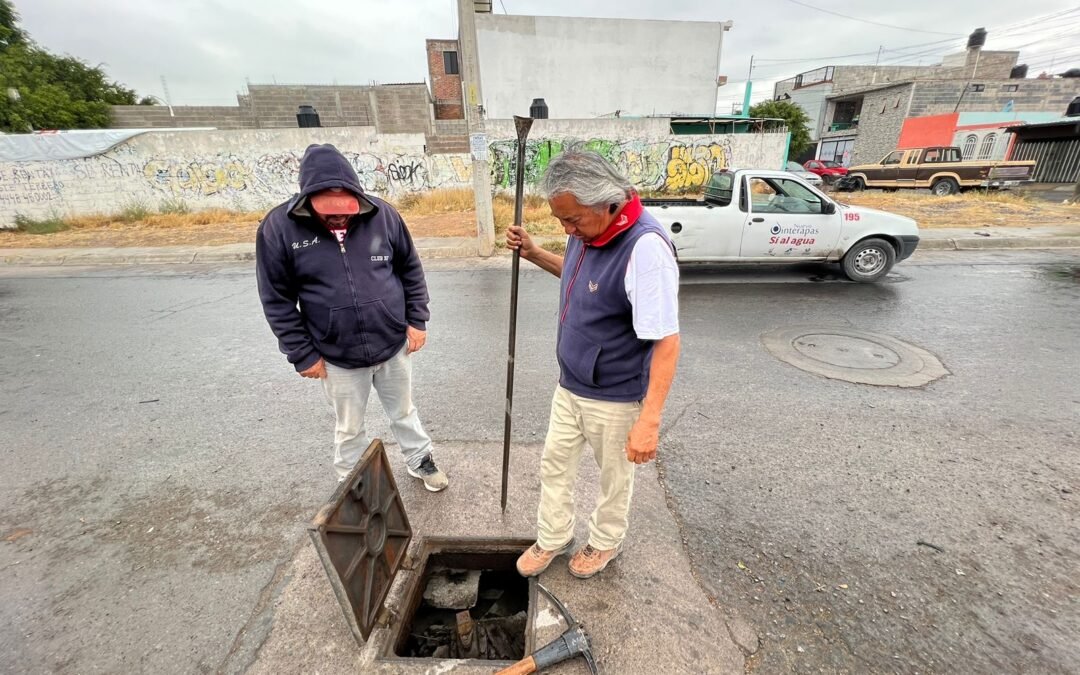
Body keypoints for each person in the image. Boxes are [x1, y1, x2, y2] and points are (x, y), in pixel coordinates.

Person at [507, 151, 681, 579]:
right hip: (570, 384)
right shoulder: (588, 230)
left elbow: (667, 341)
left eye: (573, 221)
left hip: (616, 395)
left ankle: (604, 543)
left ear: (607, 203)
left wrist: (650, 421)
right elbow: (581, 276)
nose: (567, 230)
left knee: (613, 479)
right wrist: (533, 252)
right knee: (554, 465)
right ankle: (554, 536)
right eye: (560, 221)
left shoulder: (645, 250)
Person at [255, 143, 447, 492]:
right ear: (307, 201)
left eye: (346, 208)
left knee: (404, 411)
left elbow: (410, 270)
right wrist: (302, 354)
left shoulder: (383, 216)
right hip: (335, 353)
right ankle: (352, 484)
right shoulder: (278, 229)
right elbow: (276, 299)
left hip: (391, 343)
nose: (340, 217)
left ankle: (420, 460)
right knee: (349, 426)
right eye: (329, 211)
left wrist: (417, 321)